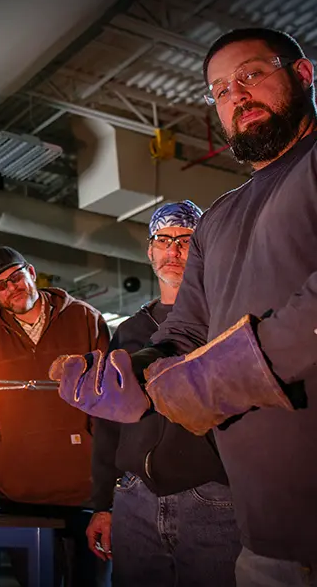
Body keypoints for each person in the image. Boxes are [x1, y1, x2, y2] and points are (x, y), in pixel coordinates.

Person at [54, 27, 317, 587]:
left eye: (251, 75)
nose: (237, 95)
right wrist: (134, 374)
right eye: (221, 90)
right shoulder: (222, 217)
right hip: (259, 541)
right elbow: (186, 330)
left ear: (302, 75)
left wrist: (215, 378)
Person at [86, 200, 240, 587]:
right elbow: (107, 426)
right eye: (163, 239)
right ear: (150, 250)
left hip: (212, 498)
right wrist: (103, 504)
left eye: (186, 240)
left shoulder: (226, 318)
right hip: (134, 499)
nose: (173, 250)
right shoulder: (130, 330)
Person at [0, 246, 111, 587]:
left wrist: (97, 458)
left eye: (15, 277)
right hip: (20, 495)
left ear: (31, 272)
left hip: (84, 493)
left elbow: (108, 400)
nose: (12, 287)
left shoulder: (84, 319)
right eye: (1, 285)